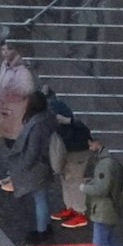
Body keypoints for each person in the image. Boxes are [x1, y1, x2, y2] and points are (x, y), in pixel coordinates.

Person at [5, 91, 57, 244]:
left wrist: (24, 166)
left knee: (39, 199)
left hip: (37, 167)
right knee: (42, 198)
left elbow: (32, 151)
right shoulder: (48, 119)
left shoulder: (37, 125)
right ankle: (45, 227)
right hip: (45, 164)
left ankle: (41, 231)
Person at [80, 138, 123, 246]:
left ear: (98, 142)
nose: (89, 144)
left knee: (99, 245)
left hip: (104, 210)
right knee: (111, 240)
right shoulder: (110, 160)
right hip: (111, 207)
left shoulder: (104, 163)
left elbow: (102, 188)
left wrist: (84, 187)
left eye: (91, 141)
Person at [47, 94, 93, 229]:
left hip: (78, 147)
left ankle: (80, 212)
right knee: (66, 178)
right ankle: (71, 206)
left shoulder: (78, 100)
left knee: (76, 180)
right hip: (68, 146)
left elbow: (82, 121)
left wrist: (67, 120)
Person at [0, 41, 37, 151]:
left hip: (17, 112)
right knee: (8, 138)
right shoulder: (5, 65)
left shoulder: (23, 70)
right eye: (3, 50)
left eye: (9, 49)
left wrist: (12, 90)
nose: (5, 52)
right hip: (5, 110)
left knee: (15, 140)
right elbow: (0, 86)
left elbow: (28, 89)